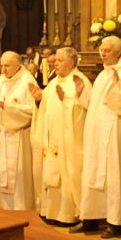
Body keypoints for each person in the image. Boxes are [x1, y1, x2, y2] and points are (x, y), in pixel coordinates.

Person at [73, 35, 121, 237]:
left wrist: (119, 88)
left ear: (120, 52)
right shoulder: (104, 74)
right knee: (93, 172)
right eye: (101, 50)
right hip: (97, 133)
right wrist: (83, 94)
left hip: (115, 132)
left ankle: (117, 222)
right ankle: (90, 218)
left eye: (107, 50)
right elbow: (95, 104)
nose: (102, 53)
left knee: (114, 175)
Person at [37, 47, 92, 225]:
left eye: (60, 60)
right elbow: (45, 110)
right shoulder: (53, 83)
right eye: (55, 60)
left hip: (69, 139)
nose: (55, 63)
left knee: (69, 172)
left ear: (71, 62)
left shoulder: (79, 80)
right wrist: (39, 99)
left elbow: (85, 109)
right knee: (52, 170)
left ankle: (69, 213)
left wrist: (67, 101)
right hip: (53, 137)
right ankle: (52, 212)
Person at [0, 50, 38, 210]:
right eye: (2, 65)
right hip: (3, 133)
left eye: (7, 66)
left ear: (18, 65)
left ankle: (21, 207)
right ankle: (4, 206)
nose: (2, 70)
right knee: (3, 170)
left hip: (20, 134)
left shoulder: (27, 80)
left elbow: (32, 109)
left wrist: (9, 107)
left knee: (19, 172)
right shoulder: (3, 79)